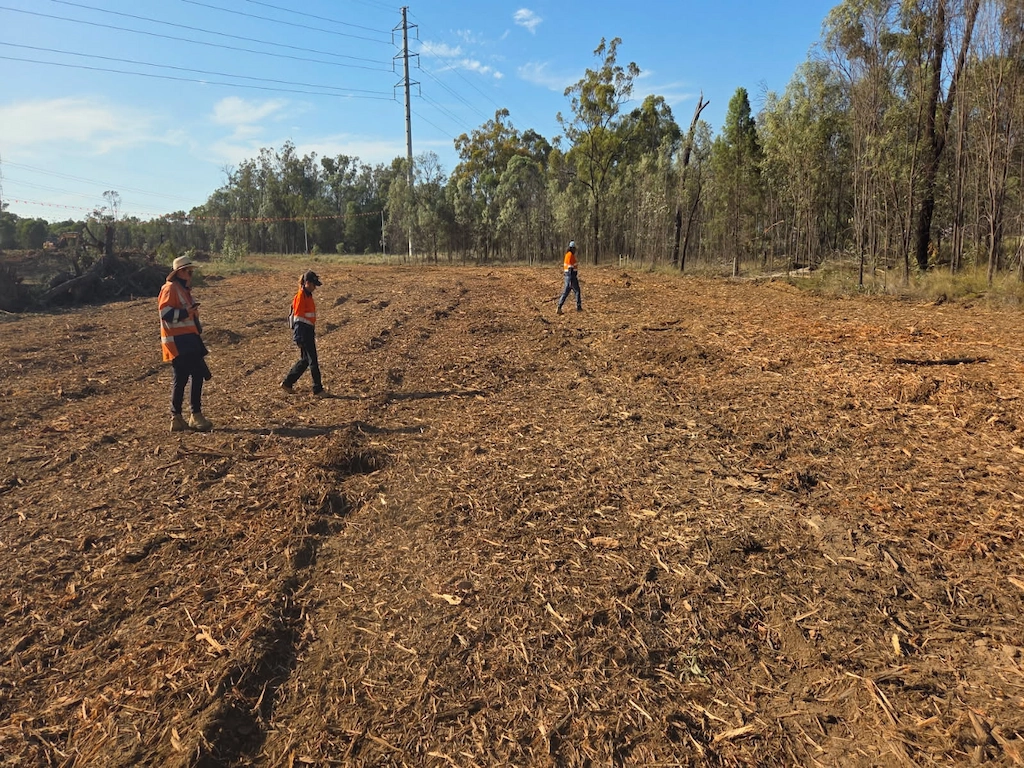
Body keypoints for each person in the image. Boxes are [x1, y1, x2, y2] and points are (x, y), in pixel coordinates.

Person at [158, 255, 213, 432]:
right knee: (197, 375)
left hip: (188, 339)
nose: (191, 274)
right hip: (180, 342)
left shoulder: (183, 290)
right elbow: (165, 313)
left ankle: (177, 418)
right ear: (180, 272)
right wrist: (186, 312)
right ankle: (195, 415)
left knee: (181, 379)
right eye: (189, 271)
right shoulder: (170, 288)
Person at [281, 270, 325, 396]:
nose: (315, 287)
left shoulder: (307, 295)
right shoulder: (301, 296)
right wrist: (298, 338)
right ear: (307, 283)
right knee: (313, 361)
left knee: (305, 360)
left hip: (308, 330)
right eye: (313, 284)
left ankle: (287, 382)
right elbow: (298, 318)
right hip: (304, 332)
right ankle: (318, 389)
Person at [556, 240, 582, 314]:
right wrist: (571, 279)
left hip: (568, 276)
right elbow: (570, 268)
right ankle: (579, 307)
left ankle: (559, 307)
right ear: (572, 248)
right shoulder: (570, 255)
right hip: (571, 276)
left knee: (566, 292)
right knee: (577, 291)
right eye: (574, 248)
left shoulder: (567, 255)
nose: (575, 250)